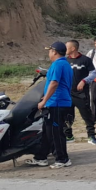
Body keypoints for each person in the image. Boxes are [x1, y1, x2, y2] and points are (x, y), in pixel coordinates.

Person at [26, 41, 74, 169]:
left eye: (50, 50)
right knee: (47, 132)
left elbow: (54, 83)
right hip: (57, 101)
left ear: (54, 52)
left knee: (56, 132)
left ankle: (63, 159)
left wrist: (44, 101)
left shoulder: (57, 65)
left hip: (57, 103)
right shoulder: (65, 64)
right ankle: (41, 157)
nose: (49, 53)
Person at [64, 39, 96, 146]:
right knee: (66, 116)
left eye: (67, 47)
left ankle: (91, 136)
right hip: (67, 94)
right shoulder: (65, 61)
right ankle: (68, 135)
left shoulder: (85, 60)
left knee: (87, 115)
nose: (65, 49)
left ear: (73, 48)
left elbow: (94, 74)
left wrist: (84, 81)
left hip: (81, 94)